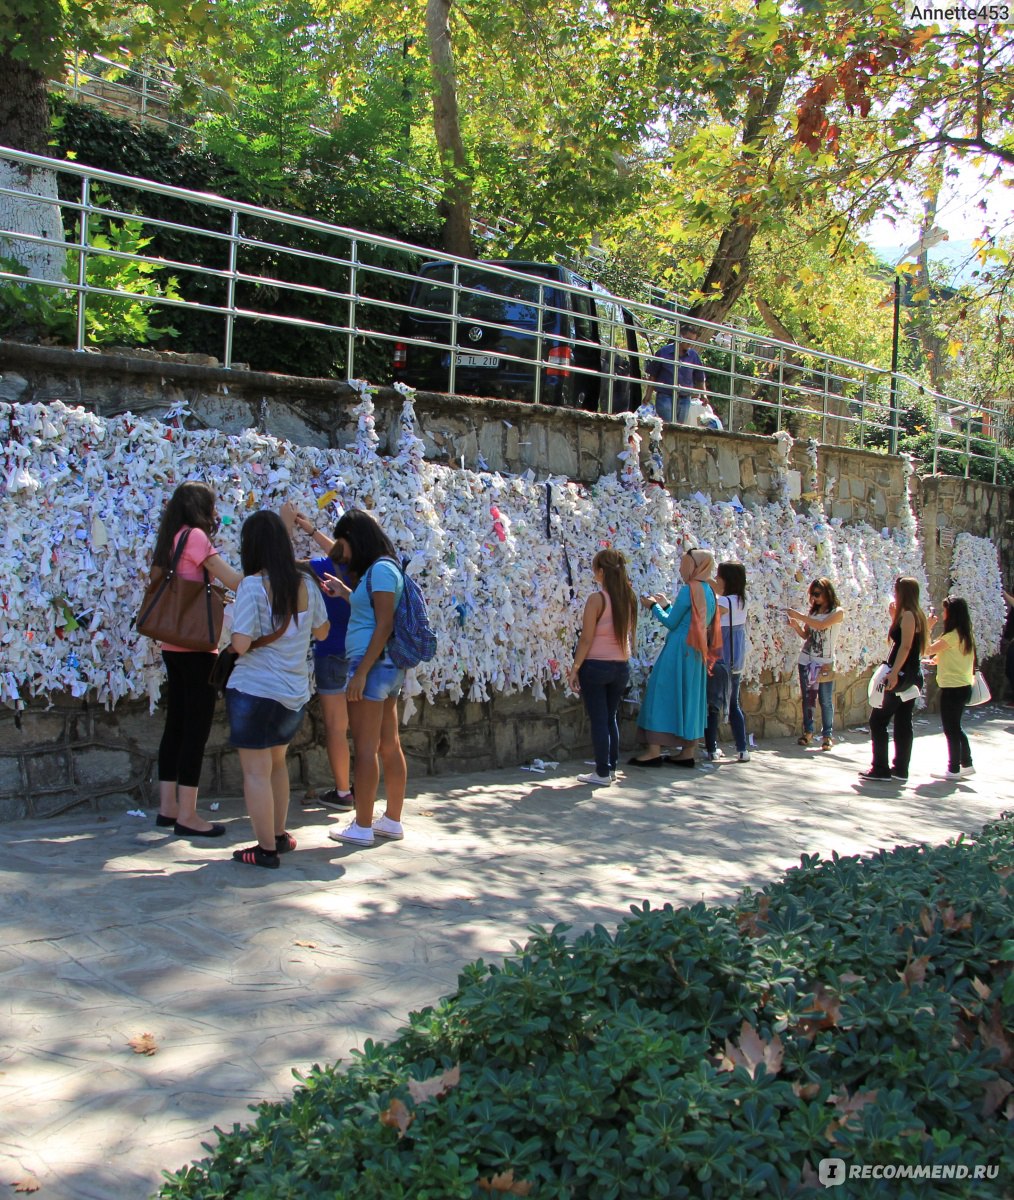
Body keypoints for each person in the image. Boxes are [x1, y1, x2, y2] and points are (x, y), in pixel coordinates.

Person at [226, 511, 329, 868]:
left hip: (254, 690)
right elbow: (323, 632)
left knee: (255, 772)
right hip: (293, 691)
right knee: (276, 765)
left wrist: (232, 617)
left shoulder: (252, 586)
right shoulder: (307, 584)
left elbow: (240, 644)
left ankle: (265, 849)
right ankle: (280, 835)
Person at [151, 482, 242, 838]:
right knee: (196, 729)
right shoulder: (196, 539)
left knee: (175, 724)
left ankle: (167, 807)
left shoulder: (170, 539)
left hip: (172, 645)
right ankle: (188, 814)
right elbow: (232, 580)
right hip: (198, 647)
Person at [321, 509, 409, 848]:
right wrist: (344, 592)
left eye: (343, 543)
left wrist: (359, 673)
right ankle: (391, 821)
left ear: (354, 538)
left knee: (367, 748)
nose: (342, 551)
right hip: (385, 668)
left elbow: (383, 625)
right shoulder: (381, 570)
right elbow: (372, 612)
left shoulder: (382, 570)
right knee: (389, 744)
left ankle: (361, 825)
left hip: (372, 666)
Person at [281, 502, 355, 813]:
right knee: (367, 728)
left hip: (330, 654)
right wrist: (311, 530)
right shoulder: (366, 568)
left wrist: (286, 526)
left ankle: (342, 792)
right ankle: (364, 789)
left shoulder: (321, 568)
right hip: (362, 655)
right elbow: (340, 553)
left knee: (337, 728)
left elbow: (282, 564)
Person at [630, 547, 719, 769]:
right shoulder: (709, 591)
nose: (682, 568)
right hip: (696, 651)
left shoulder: (689, 589)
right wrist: (668, 605)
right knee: (690, 697)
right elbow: (692, 618)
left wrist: (653, 607)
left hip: (679, 648)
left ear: (696, 566)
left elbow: (672, 623)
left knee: (661, 692)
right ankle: (688, 751)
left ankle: (654, 750)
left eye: (686, 564)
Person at [567, 549, 638, 786]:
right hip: (621, 666)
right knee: (611, 717)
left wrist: (576, 667)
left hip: (596, 666)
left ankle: (601, 772)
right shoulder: (629, 598)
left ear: (600, 571)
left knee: (598, 719)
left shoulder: (597, 599)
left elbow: (586, 639)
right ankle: (612, 766)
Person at [862, 575, 929, 784]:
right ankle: (900, 768)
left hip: (901, 674)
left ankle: (880, 768)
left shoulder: (908, 615)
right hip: (911, 674)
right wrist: (894, 618)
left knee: (878, 720)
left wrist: (893, 673)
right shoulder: (916, 615)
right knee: (902, 720)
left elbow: (905, 646)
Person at [787, 578, 845, 751]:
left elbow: (821, 626)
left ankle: (827, 735)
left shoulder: (837, 612)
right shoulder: (813, 612)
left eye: (817, 594)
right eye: (812, 595)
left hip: (824, 662)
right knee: (808, 699)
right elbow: (807, 635)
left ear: (827, 593)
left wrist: (800, 616)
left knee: (825, 700)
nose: (814, 599)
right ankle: (808, 732)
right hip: (807, 659)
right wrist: (796, 625)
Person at [925, 595, 976, 781]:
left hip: (953, 688)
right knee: (956, 727)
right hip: (962, 685)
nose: (943, 613)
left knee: (951, 729)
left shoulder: (952, 635)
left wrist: (927, 628)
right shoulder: (965, 633)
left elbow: (927, 649)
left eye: (945, 610)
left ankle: (953, 768)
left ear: (952, 613)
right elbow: (956, 655)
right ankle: (966, 763)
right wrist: (938, 661)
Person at [705, 562, 749, 763]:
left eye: (719, 575)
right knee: (734, 704)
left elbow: (712, 611)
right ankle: (742, 749)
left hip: (722, 657)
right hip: (736, 659)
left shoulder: (725, 602)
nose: (716, 578)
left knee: (714, 703)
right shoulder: (741, 600)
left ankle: (711, 748)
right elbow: (717, 588)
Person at [645, 324, 707, 424]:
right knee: (666, 427)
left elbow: (700, 378)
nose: (690, 343)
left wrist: (704, 395)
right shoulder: (663, 352)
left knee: (680, 430)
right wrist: (648, 395)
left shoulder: (693, 356)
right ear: (680, 336)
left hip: (685, 398)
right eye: (688, 339)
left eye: (693, 341)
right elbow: (653, 375)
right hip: (665, 396)